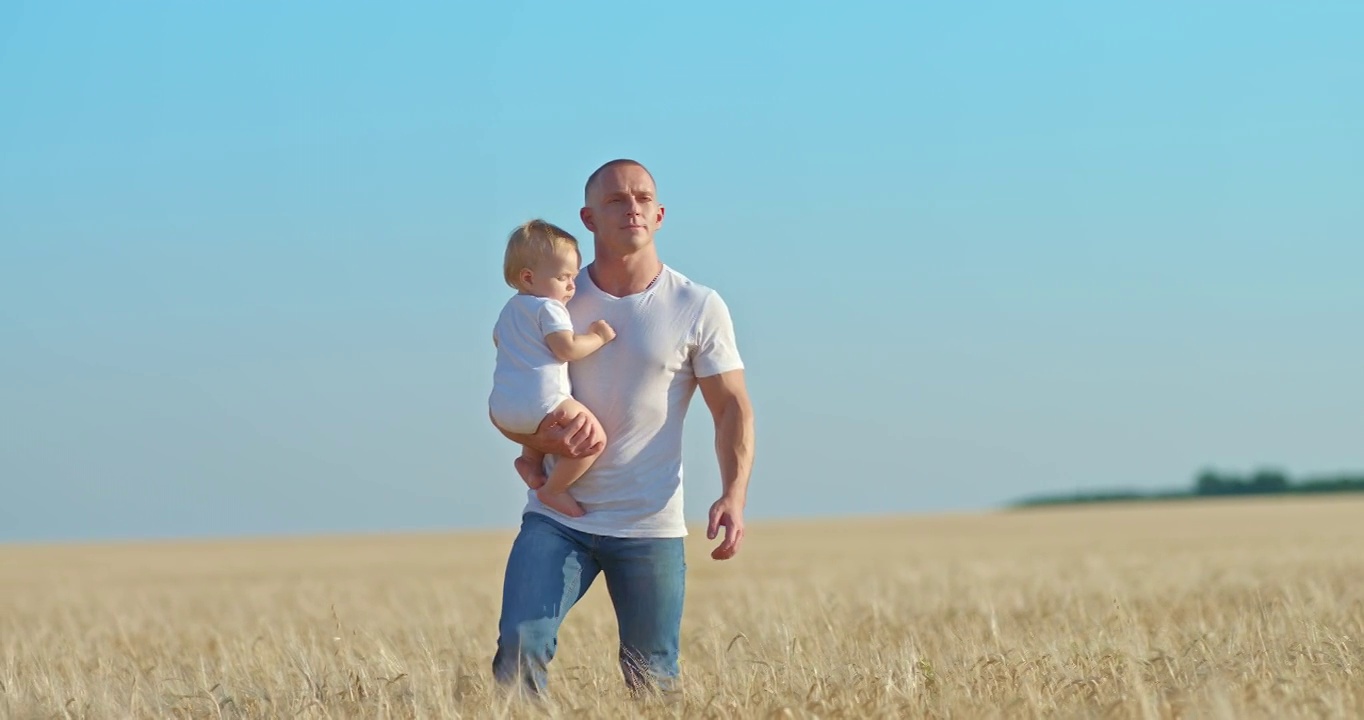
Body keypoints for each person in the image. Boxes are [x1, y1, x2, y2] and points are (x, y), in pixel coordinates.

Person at [488, 159, 756, 697]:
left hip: (649, 526)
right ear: (588, 218)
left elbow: (731, 409)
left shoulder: (697, 305)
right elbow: (512, 397)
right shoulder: (551, 298)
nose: (630, 207)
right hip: (557, 517)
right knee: (520, 646)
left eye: (641, 198)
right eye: (615, 200)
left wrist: (733, 494)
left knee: (652, 677)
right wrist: (536, 443)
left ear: (658, 215)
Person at [488, 219, 618, 518]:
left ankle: (531, 463)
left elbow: (499, 341)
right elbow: (567, 349)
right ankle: (554, 489)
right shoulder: (548, 307)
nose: (573, 285)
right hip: (543, 402)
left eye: (574, 276)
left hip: (503, 407)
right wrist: (598, 337)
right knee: (593, 440)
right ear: (528, 277)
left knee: (539, 422)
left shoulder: (510, 309)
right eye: (564, 277)